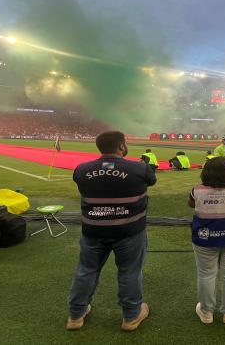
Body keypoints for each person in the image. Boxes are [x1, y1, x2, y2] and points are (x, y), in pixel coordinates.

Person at [67, 131, 157, 332]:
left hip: (93, 230)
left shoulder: (81, 169)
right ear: (121, 146)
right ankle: (131, 316)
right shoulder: (139, 168)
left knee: (86, 270)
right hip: (129, 231)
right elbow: (152, 180)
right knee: (130, 272)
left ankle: (75, 315)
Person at [188, 157, 225, 325]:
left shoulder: (197, 189)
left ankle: (206, 312)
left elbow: (191, 204)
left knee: (206, 274)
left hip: (205, 238)